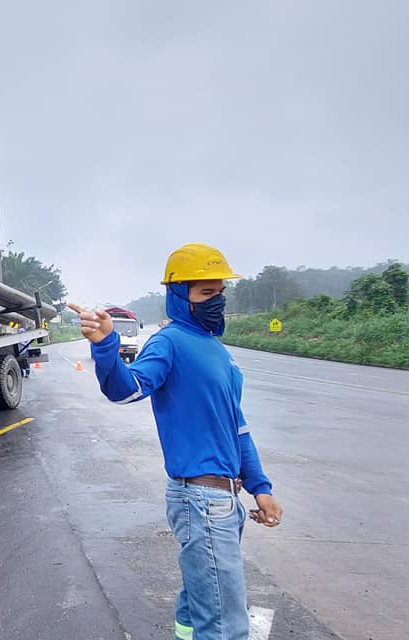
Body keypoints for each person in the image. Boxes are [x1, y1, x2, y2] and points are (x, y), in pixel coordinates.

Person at [69, 242, 282, 640]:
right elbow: (126, 389)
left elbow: (236, 426)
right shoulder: (169, 342)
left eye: (220, 292)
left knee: (201, 602)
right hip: (201, 500)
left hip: (226, 500)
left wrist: (261, 487)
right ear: (180, 295)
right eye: (206, 292)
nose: (216, 300)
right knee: (225, 624)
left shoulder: (218, 350)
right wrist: (105, 345)